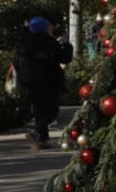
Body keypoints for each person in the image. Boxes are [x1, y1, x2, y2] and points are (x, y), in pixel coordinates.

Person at [11, 17, 72, 150]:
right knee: (51, 110)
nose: (52, 28)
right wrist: (67, 45)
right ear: (44, 28)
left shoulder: (25, 43)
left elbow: (16, 62)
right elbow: (65, 58)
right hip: (48, 82)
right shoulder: (49, 42)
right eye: (49, 26)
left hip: (29, 83)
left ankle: (41, 139)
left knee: (39, 110)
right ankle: (37, 133)